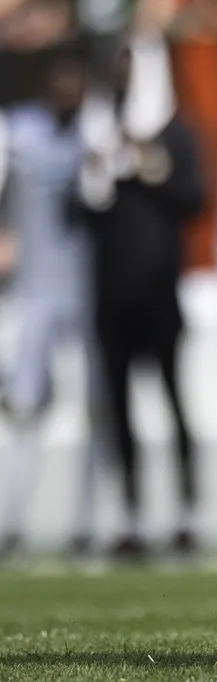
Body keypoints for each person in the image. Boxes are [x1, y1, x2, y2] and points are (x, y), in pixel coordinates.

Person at [77, 35, 204, 557]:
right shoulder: (98, 130)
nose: (126, 78)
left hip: (158, 288)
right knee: (119, 405)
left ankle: (185, 513)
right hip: (110, 291)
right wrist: (97, 169)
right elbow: (84, 212)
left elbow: (194, 200)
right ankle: (130, 516)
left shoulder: (173, 132)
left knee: (174, 399)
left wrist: (150, 162)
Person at [0, 41, 110, 558]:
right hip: (35, 290)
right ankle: (12, 520)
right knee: (23, 409)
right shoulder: (18, 132)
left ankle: (87, 522)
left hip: (87, 291)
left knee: (94, 409)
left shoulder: (100, 136)